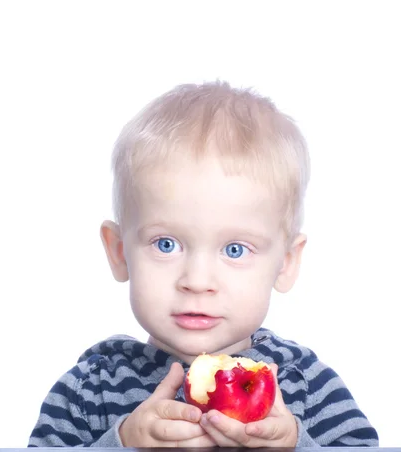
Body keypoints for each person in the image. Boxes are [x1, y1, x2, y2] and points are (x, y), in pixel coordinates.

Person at [28, 81, 379, 448]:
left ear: (286, 263)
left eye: (235, 250)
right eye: (166, 244)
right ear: (119, 252)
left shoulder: (304, 385)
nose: (197, 281)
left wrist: (295, 445)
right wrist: (121, 443)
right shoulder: (91, 389)